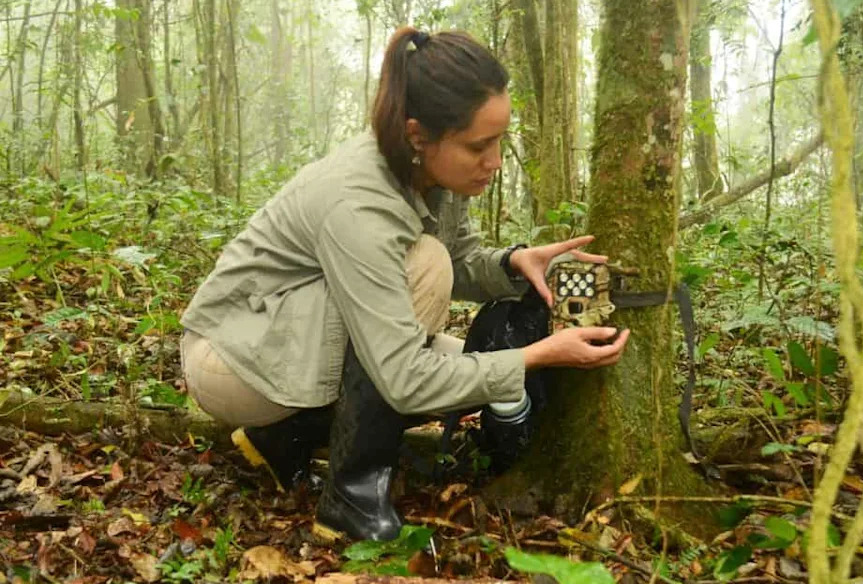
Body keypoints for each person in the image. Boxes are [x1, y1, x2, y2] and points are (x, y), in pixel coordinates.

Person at [179, 27, 630, 541]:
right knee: (433, 293)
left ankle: (284, 438)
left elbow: (460, 260)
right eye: (479, 145)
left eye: (500, 139)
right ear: (419, 135)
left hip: (286, 342)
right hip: (233, 360)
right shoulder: (359, 203)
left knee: (468, 356)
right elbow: (403, 375)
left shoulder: (430, 169)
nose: (496, 160)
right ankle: (351, 495)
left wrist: (514, 262)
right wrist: (539, 356)